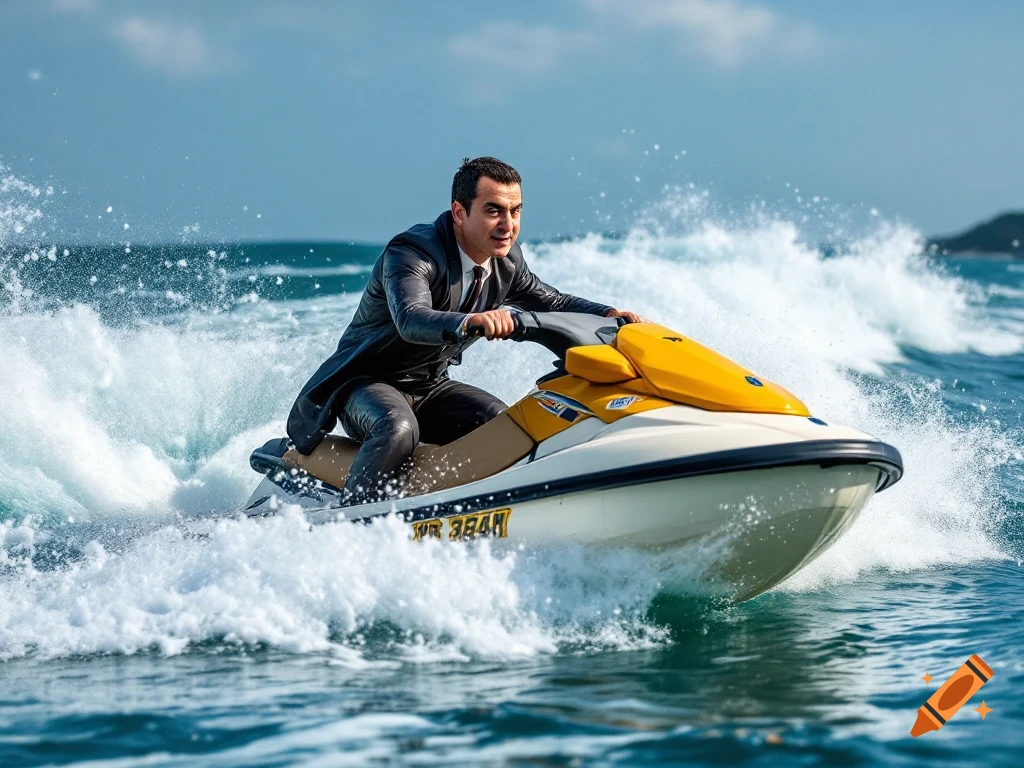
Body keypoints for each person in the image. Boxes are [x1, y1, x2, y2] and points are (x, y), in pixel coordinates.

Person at [286, 156, 644, 503]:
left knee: (503, 425)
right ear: (460, 212)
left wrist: (609, 314)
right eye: (494, 210)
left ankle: (482, 506)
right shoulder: (413, 253)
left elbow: (554, 302)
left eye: (515, 211)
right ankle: (354, 518)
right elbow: (411, 318)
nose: (508, 224)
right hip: (363, 384)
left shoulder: (506, 261)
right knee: (398, 429)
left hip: (429, 386)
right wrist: (469, 321)